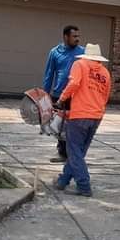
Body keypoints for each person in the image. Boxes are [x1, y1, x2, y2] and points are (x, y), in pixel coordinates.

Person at [54, 43, 112, 198]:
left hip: (79, 115)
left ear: (86, 55)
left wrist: (61, 99)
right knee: (79, 152)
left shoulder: (80, 64)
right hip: (96, 116)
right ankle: (63, 180)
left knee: (73, 151)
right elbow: (105, 96)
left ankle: (84, 186)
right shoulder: (105, 73)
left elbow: (73, 83)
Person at [43, 25, 84, 163]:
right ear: (66, 37)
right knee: (60, 126)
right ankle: (62, 153)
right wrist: (45, 96)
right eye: (74, 36)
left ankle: (73, 154)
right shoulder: (55, 52)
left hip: (76, 96)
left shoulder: (82, 53)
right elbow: (49, 74)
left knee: (74, 127)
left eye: (78, 36)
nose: (77, 39)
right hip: (59, 95)